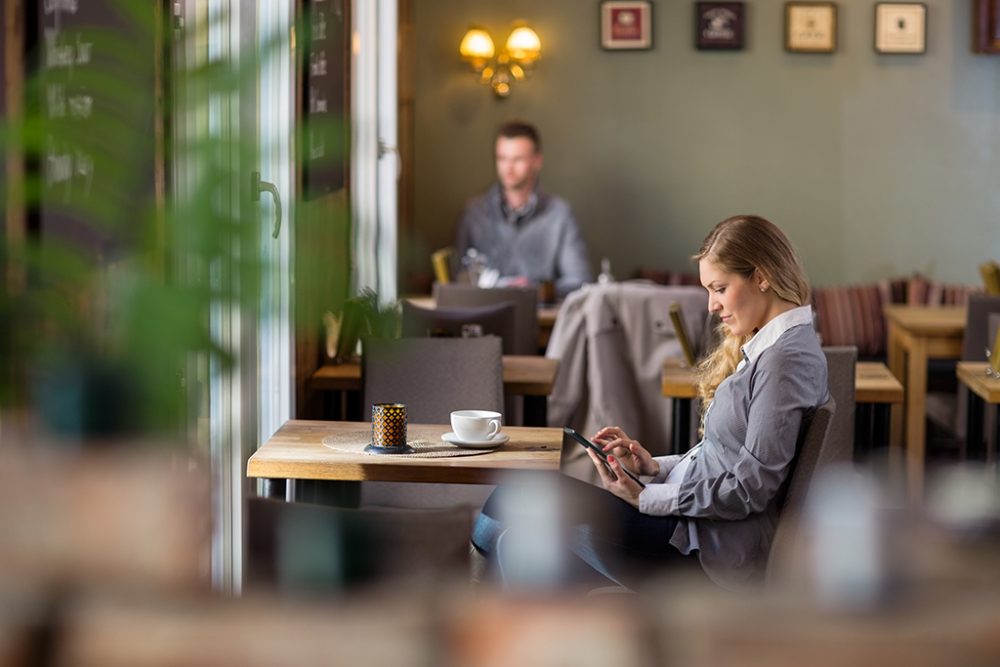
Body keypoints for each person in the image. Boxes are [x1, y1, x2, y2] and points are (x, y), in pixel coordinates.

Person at [471, 215, 829, 591]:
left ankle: (485, 629)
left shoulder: (784, 361)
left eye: (720, 288)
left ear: (761, 276)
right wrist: (653, 466)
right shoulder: (777, 350)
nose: (711, 306)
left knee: (517, 502)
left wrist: (647, 497)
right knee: (516, 528)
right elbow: (722, 455)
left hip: (702, 549)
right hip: (693, 528)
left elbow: (750, 487)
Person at [455, 121, 592, 298]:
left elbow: (580, 280)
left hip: (540, 321)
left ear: (537, 161)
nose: (508, 168)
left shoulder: (560, 215)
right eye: (502, 158)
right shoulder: (474, 213)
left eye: (518, 159)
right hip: (485, 318)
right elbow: (457, 280)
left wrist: (534, 290)